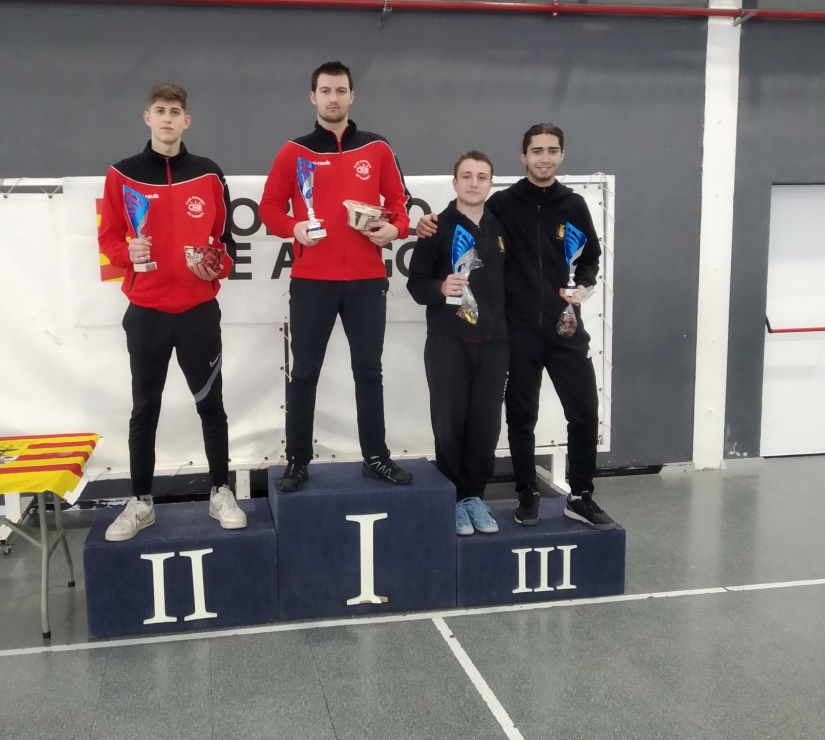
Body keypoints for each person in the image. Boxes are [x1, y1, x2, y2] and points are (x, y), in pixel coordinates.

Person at [416, 124, 616, 530]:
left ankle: (580, 495)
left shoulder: (575, 205)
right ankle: (526, 491)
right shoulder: (502, 205)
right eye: (536, 150)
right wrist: (424, 224)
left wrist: (584, 285)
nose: (544, 157)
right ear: (523, 156)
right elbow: (461, 224)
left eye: (552, 150)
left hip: (564, 328)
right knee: (521, 416)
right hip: (517, 331)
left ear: (561, 155)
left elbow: (590, 257)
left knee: (584, 411)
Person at [98, 83, 245, 541]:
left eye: (175, 111)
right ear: (148, 118)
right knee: (145, 408)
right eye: (159, 111)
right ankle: (141, 501)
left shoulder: (209, 174)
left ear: (186, 121)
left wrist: (215, 264)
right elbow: (108, 241)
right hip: (146, 312)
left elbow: (226, 244)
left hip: (198, 311)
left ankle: (220, 491)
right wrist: (126, 252)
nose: (167, 118)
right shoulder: (122, 174)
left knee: (211, 405)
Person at [259, 61, 413, 492]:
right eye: (325, 91)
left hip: (367, 280)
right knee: (305, 372)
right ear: (313, 97)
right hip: (313, 281)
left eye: (340, 90)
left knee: (368, 370)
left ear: (351, 96)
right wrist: (293, 227)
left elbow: (399, 204)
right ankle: (297, 461)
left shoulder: (377, 148)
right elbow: (268, 208)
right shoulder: (294, 151)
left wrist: (396, 230)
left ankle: (376, 457)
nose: (333, 98)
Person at [407, 151, 509, 536]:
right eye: (466, 176)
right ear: (454, 183)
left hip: (495, 343)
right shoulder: (436, 227)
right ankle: (452, 498)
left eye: (482, 176)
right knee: (449, 423)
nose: (474, 183)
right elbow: (416, 285)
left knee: (485, 424)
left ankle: (474, 497)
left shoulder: (502, 227)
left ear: (491, 183)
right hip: (448, 342)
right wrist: (440, 287)